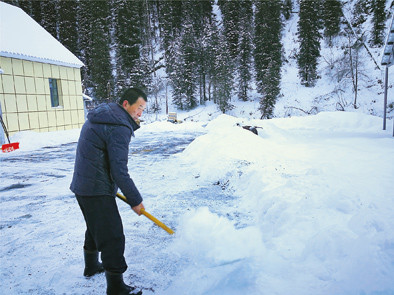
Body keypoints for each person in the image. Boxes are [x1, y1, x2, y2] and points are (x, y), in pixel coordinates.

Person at [70, 88, 147, 295]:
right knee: (112, 235)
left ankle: (92, 265)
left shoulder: (101, 117)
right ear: (125, 104)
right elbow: (119, 170)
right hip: (96, 189)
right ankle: (116, 288)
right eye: (138, 107)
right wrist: (135, 200)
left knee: (96, 227)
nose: (140, 113)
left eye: (143, 109)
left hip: (83, 186)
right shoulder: (119, 127)